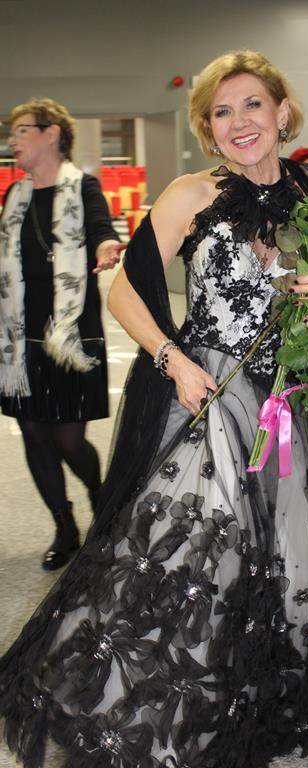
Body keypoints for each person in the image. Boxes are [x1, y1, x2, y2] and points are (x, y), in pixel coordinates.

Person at [0, 54, 308, 768]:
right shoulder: (189, 194)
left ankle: (271, 673)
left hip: (294, 395)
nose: (239, 122)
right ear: (208, 128)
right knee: (200, 537)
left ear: (282, 113)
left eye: (252, 105)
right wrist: (173, 359)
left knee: (291, 535)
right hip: (212, 392)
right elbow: (124, 292)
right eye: (222, 112)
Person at [0, 98, 124, 570]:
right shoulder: (15, 196)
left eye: (21, 130)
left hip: (72, 334)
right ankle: (64, 526)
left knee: (69, 439)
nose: (12, 140)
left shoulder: (83, 186)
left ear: (51, 134)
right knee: (33, 432)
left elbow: (100, 227)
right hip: (22, 337)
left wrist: (107, 245)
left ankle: (100, 499)